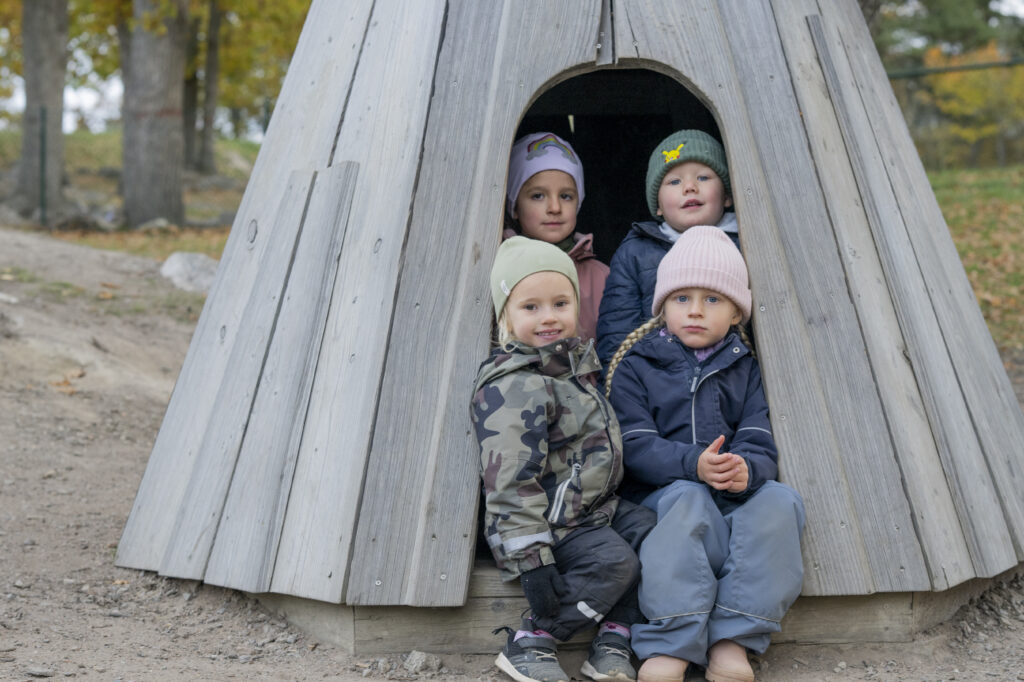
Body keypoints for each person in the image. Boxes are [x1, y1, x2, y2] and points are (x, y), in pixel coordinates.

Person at [604, 227, 805, 682]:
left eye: (712, 299)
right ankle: (672, 642)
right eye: (681, 299)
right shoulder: (637, 365)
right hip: (661, 499)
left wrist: (746, 469)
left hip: (729, 498)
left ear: (736, 311)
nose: (695, 310)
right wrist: (692, 464)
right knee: (685, 500)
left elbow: (758, 437)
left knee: (779, 502)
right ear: (662, 306)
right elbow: (633, 445)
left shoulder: (745, 367)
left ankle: (733, 640)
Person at [471, 236, 656, 682]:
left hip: (589, 511)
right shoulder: (516, 385)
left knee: (651, 531)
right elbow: (510, 478)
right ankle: (534, 640)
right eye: (531, 307)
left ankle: (613, 638)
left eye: (559, 303)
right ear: (506, 318)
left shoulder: (572, 370)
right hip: (549, 523)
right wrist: (532, 559)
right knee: (615, 562)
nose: (549, 317)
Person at [596, 129, 738, 368]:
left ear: (726, 195)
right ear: (658, 206)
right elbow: (617, 330)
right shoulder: (636, 252)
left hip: (733, 380)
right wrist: (620, 390)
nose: (690, 187)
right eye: (674, 181)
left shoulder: (747, 245)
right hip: (656, 387)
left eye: (703, 178)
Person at [505, 131, 609, 343]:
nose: (554, 207)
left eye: (566, 196)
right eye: (538, 196)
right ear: (515, 206)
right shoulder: (500, 271)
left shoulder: (602, 277)